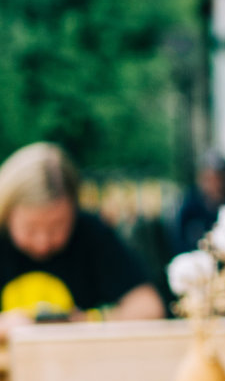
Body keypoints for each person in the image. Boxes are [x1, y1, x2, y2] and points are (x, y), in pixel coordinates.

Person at [0, 142, 165, 339]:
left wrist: (86, 322)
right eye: (30, 229)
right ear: (6, 213)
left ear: (74, 210)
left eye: (56, 227)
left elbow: (149, 307)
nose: (43, 242)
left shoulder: (91, 233)